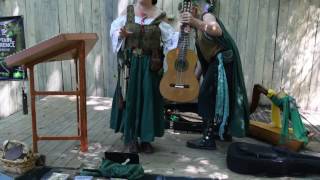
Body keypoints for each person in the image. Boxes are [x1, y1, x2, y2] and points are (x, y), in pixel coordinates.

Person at [109, 0, 179, 153]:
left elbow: (170, 39)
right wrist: (120, 34)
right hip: (131, 63)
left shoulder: (160, 16)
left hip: (151, 65)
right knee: (131, 99)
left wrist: (183, 33)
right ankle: (130, 139)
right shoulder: (128, 12)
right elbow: (114, 31)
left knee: (149, 99)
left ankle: (146, 139)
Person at [179, 0, 250, 150]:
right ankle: (222, 131)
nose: (184, 15)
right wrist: (195, 77)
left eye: (186, 11)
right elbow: (203, 56)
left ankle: (207, 138)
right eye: (182, 13)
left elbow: (216, 30)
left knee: (206, 94)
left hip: (223, 59)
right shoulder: (196, 30)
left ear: (194, 10)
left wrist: (195, 21)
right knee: (218, 97)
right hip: (218, 61)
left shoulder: (206, 16)